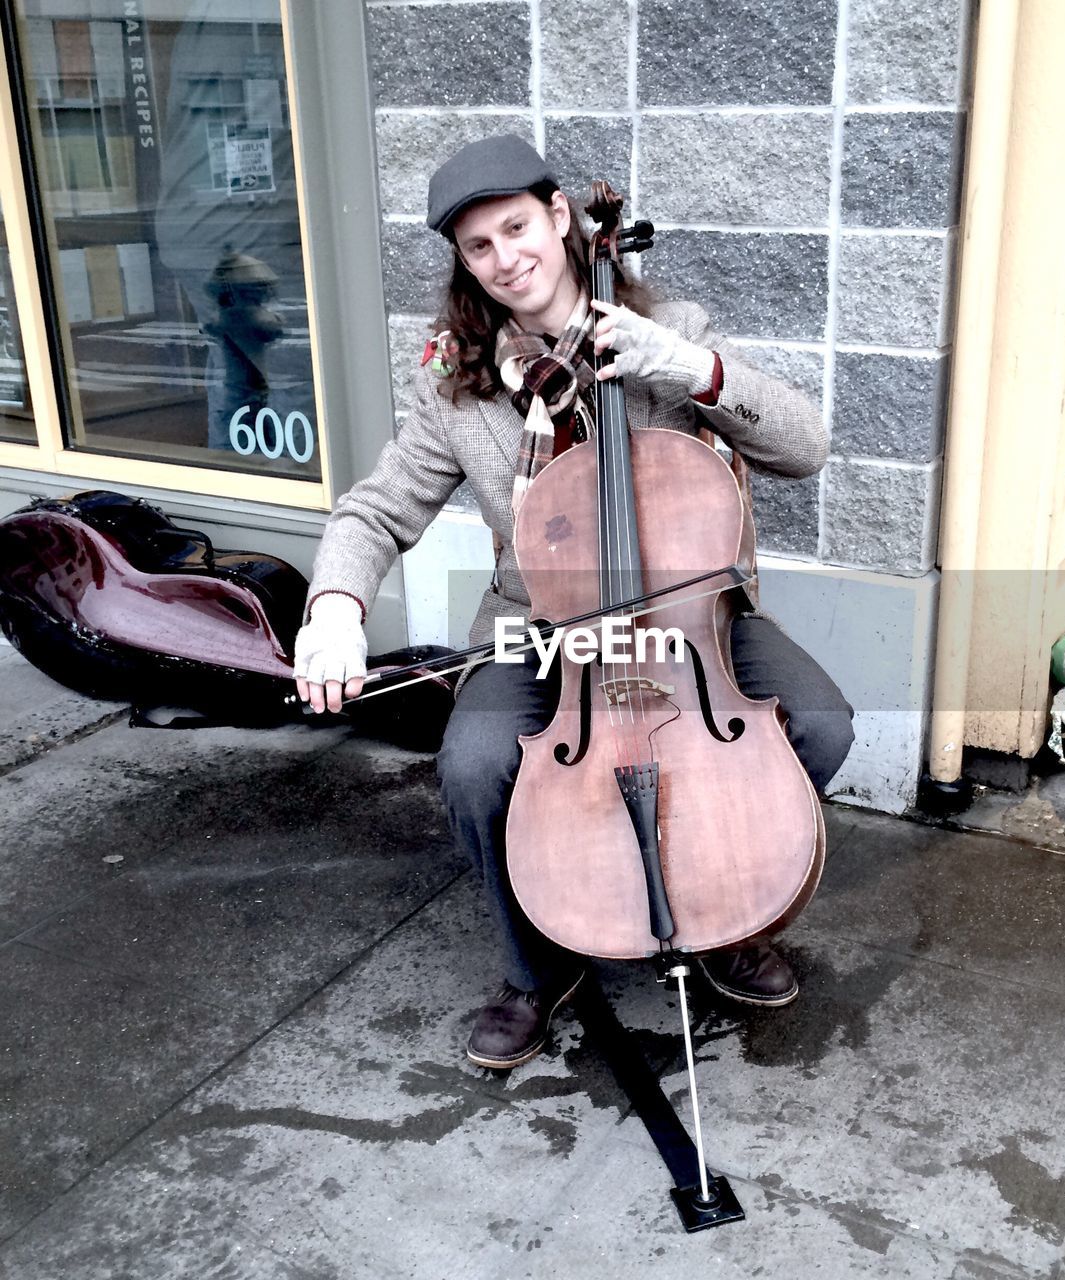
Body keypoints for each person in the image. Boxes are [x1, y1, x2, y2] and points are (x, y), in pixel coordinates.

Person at [293, 135, 854, 1069]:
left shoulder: (668, 324)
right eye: (479, 246)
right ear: (464, 263)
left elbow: (806, 446)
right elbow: (379, 507)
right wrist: (336, 608)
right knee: (476, 766)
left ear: (558, 217)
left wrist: (689, 367)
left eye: (517, 227)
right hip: (542, 627)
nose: (506, 257)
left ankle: (723, 914)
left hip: (691, 622)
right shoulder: (457, 383)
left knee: (824, 725)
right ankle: (537, 964)